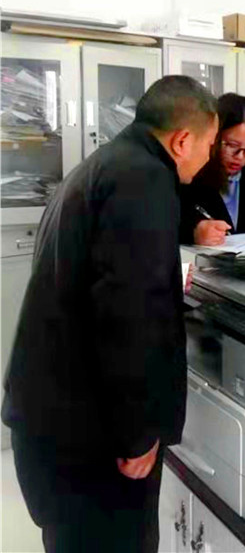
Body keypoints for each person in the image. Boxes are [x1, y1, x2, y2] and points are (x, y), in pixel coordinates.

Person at [1, 75, 218, 553]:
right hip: (88, 438)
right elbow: (129, 316)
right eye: (209, 145)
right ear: (183, 140)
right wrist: (137, 434)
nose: (209, 158)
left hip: (50, 422)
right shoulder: (145, 178)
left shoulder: (104, 164)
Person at [183, 93, 245, 246]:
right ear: (213, 137)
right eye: (232, 146)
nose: (240, 157)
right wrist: (194, 231)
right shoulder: (189, 172)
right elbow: (170, 219)